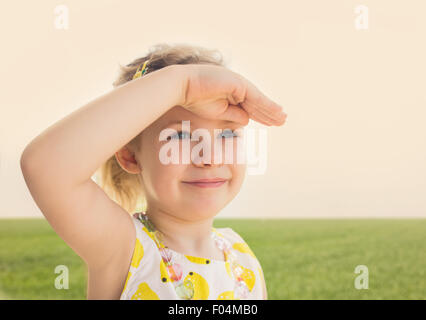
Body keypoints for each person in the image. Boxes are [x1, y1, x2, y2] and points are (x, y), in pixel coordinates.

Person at [20, 43, 287, 300]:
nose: (210, 157)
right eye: (181, 136)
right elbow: (45, 166)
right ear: (130, 155)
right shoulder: (124, 248)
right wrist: (184, 84)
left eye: (227, 132)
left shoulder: (243, 260)